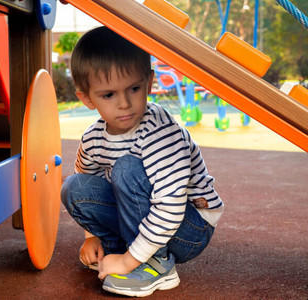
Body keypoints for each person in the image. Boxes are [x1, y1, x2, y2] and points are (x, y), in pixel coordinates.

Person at [60, 26, 223, 297]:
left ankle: (156, 263)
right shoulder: (93, 138)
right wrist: (92, 236)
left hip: (189, 227)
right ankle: (115, 249)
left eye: (134, 88)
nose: (124, 103)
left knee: (126, 168)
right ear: (87, 98)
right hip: (143, 215)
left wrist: (128, 262)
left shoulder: (160, 132)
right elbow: (90, 181)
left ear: (148, 82)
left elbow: (169, 208)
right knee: (74, 187)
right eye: (108, 95)